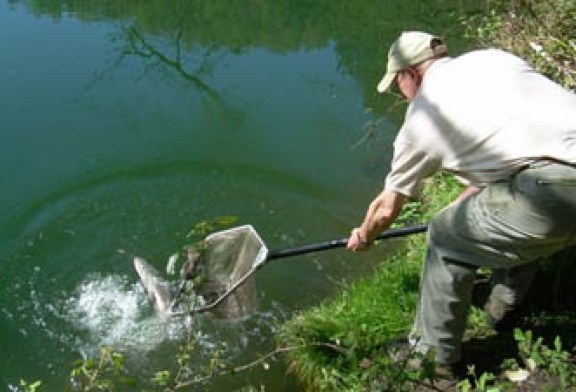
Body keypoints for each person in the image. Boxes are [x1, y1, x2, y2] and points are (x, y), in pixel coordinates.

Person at [346, 31, 576, 370]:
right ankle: (504, 306)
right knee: (496, 209)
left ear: (411, 73)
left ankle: (430, 358)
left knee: (444, 237)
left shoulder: (425, 116)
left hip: (555, 193)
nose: (402, 94)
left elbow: (385, 208)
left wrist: (365, 236)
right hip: (554, 175)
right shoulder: (494, 59)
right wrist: (458, 210)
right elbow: (511, 160)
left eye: (398, 85)